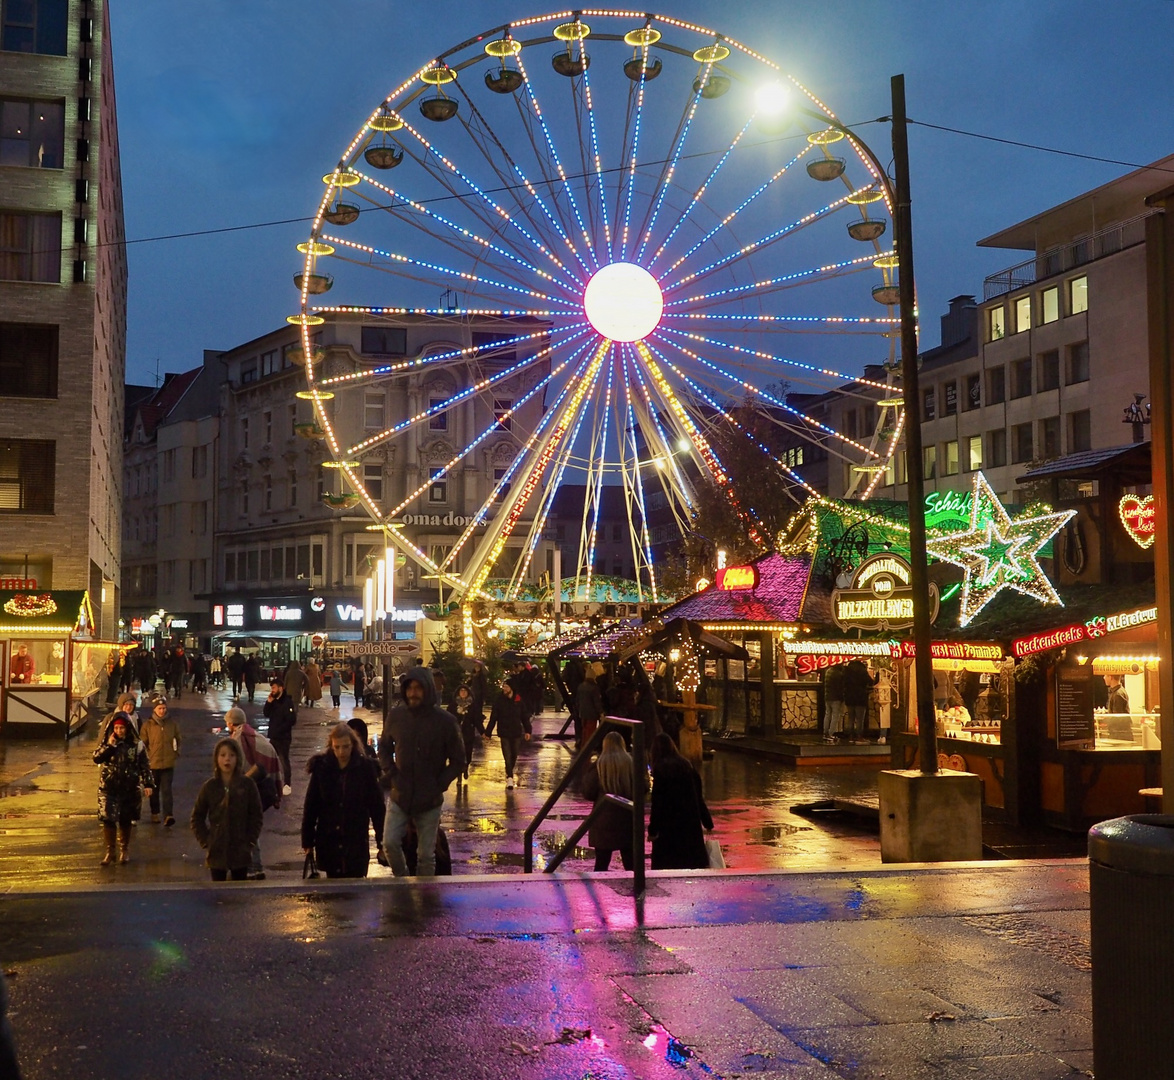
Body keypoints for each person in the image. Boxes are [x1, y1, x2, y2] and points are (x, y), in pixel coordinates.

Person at [378, 667, 464, 878]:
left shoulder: (445, 721)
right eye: (410, 688)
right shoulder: (396, 716)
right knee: (389, 843)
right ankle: (403, 882)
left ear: (427, 689)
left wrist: (439, 784)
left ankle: (425, 895)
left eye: (418, 688)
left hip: (429, 799)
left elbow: (458, 760)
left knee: (426, 855)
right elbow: (385, 748)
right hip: (400, 795)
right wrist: (393, 774)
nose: (413, 693)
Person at [302, 723, 385, 878]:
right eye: (337, 747)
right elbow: (312, 805)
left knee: (356, 886)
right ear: (331, 746)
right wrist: (308, 841)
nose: (341, 752)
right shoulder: (322, 768)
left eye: (345, 747)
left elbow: (377, 807)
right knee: (333, 887)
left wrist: (382, 842)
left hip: (356, 838)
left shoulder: (365, 768)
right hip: (329, 838)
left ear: (353, 745)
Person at [190, 738, 263, 882]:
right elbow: (197, 817)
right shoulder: (210, 786)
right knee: (219, 894)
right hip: (217, 850)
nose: (227, 759)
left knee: (238, 893)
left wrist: (250, 841)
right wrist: (206, 841)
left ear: (238, 758)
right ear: (216, 758)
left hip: (240, 850)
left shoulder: (247, 784)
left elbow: (256, 815)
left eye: (231, 755)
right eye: (222, 755)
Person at [225, 706, 282, 879]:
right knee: (251, 827)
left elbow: (238, 768)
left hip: (246, 791)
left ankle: (252, 867)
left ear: (232, 723)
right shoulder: (257, 738)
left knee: (245, 829)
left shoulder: (238, 740)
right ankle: (254, 867)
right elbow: (274, 764)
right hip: (259, 791)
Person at [93, 712, 154, 865]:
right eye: (117, 728)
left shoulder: (136, 744)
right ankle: (110, 851)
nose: (119, 731)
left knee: (125, 820)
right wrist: (110, 746)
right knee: (108, 819)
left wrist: (148, 784)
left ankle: (124, 849)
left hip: (129, 787)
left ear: (127, 728)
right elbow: (96, 758)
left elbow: (144, 765)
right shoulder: (108, 742)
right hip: (109, 786)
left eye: (122, 728)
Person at [647, 732, 712, 870]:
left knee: (668, 869)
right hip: (690, 826)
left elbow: (657, 804)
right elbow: (698, 798)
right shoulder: (687, 766)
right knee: (690, 866)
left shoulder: (661, 770)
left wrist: (652, 831)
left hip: (668, 830)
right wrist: (707, 821)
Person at [581, 731, 645, 871]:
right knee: (631, 864)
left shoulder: (599, 764)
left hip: (603, 819)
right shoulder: (631, 763)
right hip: (627, 818)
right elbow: (643, 787)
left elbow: (588, 792)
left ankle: (599, 891)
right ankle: (637, 891)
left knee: (601, 863)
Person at [138, 697, 181, 826]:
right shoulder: (148, 725)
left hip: (168, 763)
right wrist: (145, 760)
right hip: (153, 764)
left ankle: (168, 815)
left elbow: (178, 739)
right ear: (154, 710)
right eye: (159, 708)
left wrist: (176, 753)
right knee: (154, 791)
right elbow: (143, 744)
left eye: (164, 708)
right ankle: (155, 813)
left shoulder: (172, 724)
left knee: (167, 791)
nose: (162, 711)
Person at [485, 676, 531, 789]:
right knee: (507, 755)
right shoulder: (499, 700)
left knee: (514, 754)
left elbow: (524, 717)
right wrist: (488, 732)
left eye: (506, 686)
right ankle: (509, 777)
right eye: (503, 686)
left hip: (516, 731)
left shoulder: (518, 700)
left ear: (512, 688)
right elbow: (493, 717)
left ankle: (509, 770)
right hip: (504, 731)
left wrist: (528, 730)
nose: (504, 689)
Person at [263, 676, 297, 796]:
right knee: (270, 760)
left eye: (274, 687)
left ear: (280, 688)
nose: (272, 690)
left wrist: (280, 730)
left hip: (283, 738)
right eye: (271, 688)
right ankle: (270, 783)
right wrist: (268, 702)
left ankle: (287, 784)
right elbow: (266, 714)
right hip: (273, 736)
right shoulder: (274, 701)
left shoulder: (287, 702)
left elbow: (292, 720)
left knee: (283, 760)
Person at [841, 659, 878, 743]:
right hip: (860, 697)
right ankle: (859, 736)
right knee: (859, 719)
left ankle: (850, 736)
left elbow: (843, 683)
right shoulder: (862, 670)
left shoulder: (847, 670)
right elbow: (870, 681)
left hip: (849, 697)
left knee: (851, 718)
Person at [452, 683, 482, 781]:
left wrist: (483, 732)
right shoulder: (453, 704)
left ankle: (465, 767)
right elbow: (448, 718)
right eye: (461, 691)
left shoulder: (472, 705)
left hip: (468, 732)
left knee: (468, 753)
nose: (463, 693)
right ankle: (459, 772)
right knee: (458, 753)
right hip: (456, 733)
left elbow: (477, 719)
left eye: (465, 691)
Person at [575, 665, 604, 747]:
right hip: (592, 714)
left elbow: (577, 700)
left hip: (582, 713)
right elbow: (596, 702)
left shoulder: (581, 686)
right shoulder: (594, 688)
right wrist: (601, 712)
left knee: (584, 730)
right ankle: (588, 748)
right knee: (590, 732)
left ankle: (583, 745)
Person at [823, 663, 846, 743]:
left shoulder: (828, 671)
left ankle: (825, 733)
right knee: (835, 716)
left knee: (828, 714)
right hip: (835, 698)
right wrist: (842, 698)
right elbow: (839, 687)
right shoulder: (839, 674)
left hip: (827, 696)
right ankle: (831, 733)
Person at [1105, 674, 1132, 740]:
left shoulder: (1117, 694)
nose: (1104, 677)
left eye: (1105, 675)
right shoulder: (1119, 691)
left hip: (1119, 735)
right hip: (1120, 733)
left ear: (1110, 677)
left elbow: (1117, 718)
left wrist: (1105, 718)